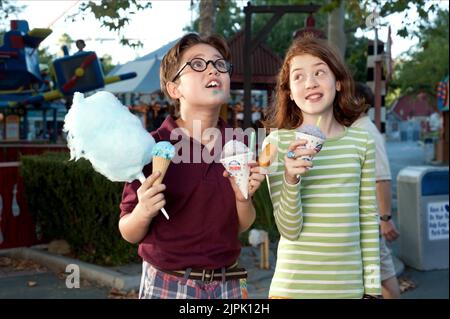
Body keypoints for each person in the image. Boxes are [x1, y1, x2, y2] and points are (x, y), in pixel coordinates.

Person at [118, 33, 266, 299]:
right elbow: (128, 231)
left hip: (228, 282)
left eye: (219, 64)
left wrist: (243, 199)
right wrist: (143, 210)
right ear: (174, 89)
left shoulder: (238, 145)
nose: (212, 69)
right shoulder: (151, 146)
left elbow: (241, 225)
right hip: (168, 282)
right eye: (198, 64)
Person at [262, 35, 381, 299]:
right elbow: (288, 230)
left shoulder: (361, 142)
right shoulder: (277, 144)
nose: (311, 83)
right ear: (289, 93)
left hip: (348, 290)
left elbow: (368, 222)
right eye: (299, 77)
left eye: (319, 72)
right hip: (292, 289)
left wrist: (373, 289)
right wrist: (291, 178)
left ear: (338, 82)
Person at [352, 82, 401, 299]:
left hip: (369, 223)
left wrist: (384, 218)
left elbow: (382, 178)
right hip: (363, 222)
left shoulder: (366, 132)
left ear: (359, 103)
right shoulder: (357, 130)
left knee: (382, 275)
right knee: (374, 276)